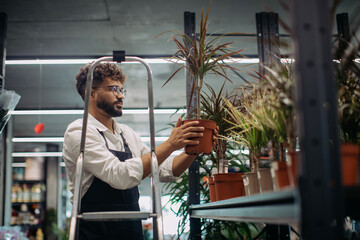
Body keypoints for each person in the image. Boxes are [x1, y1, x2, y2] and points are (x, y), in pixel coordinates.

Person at [62, 62, 218, 240]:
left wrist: (193, 149)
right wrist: (171, 144)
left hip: (131, 231)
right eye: (114, 89)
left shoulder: (127, 134)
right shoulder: (79, 132)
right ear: (91, 93)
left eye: (122, 90)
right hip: (94, 232)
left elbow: (165, 170)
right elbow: (119, 176)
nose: (121, 95)